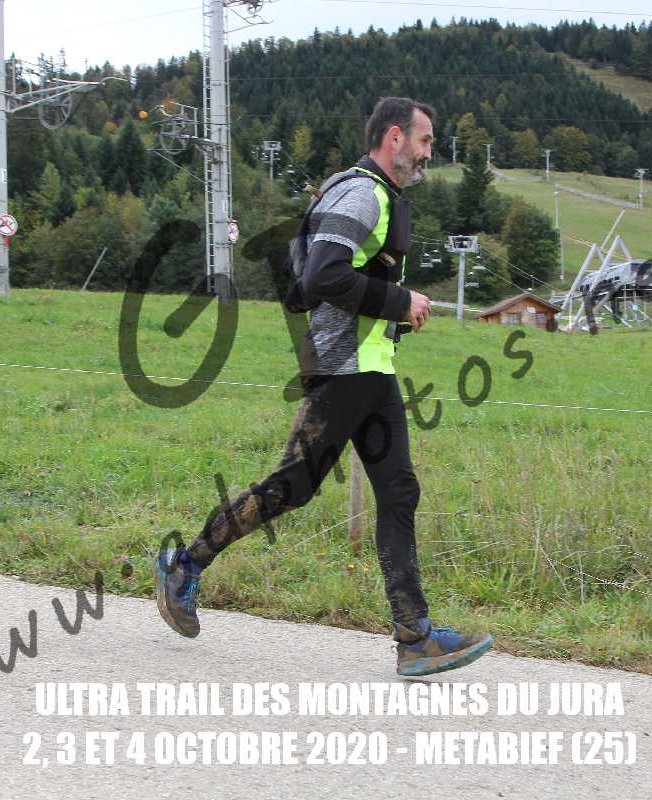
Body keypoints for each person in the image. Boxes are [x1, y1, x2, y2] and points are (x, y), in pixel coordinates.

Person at [155, 97, 493, 677]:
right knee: (292, 487)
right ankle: (185, 566)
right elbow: (322, 275)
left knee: (399, 492)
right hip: (342, 369)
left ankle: (414, 637)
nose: (428, 153)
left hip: (372, 370)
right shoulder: (362, 194)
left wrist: (392, 313)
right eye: (424, 141)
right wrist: (400, 301)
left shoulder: (378, 196)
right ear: (394, 138)